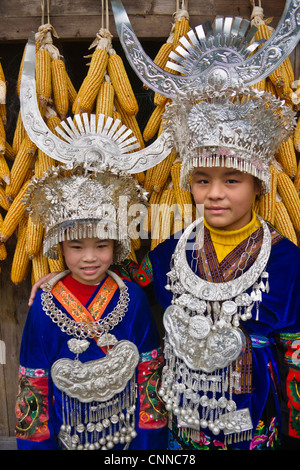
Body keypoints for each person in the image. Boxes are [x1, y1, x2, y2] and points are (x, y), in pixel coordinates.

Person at [30, 86, 300, 451]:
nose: (214, 194)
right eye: (203, 180)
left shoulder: (287, 261)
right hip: (181, 421)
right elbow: (121, 282)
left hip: (252, 421)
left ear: (258, 184)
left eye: (231, 180)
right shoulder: (171, 251)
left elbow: (296, 354)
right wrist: (66, 274)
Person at [15, 164, 167, 450]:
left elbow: (149, 373)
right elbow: (34, 382)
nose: (89, 258)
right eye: (76, 246)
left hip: (127, 440)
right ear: (59, 247)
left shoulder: (131, 297)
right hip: (67, 438)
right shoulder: (45, 305)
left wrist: (149, 444)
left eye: (101, 245)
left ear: (116, 244)